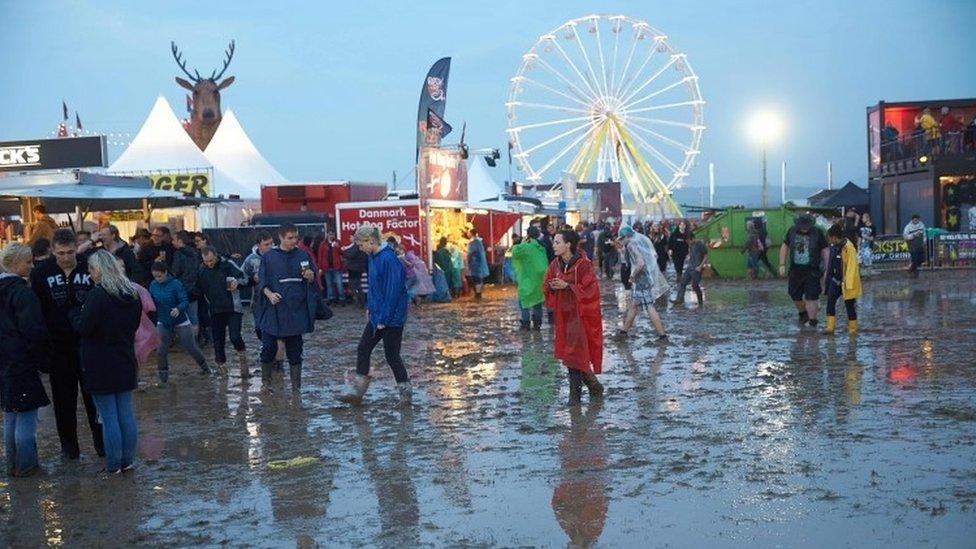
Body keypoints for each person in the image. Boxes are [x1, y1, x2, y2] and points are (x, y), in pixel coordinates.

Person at [29, 229, 104, 460]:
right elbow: (37, 311)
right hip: (58, 347)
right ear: (53, 250)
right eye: (60, 253)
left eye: (70, 252)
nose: (65, 257)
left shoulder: (88, 267)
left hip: (87, 345)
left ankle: (101, 445)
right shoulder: (42, 272)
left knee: (94, 397)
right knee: (64, 401)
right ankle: (69, 448)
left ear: (76, 247)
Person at [69, 250, 142, 475]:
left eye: (91, 270)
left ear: (97, 270)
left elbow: (83, 327)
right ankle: (127, 461)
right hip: (125, 357)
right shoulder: (132, 293)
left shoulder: (98, 295)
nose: (89, 275)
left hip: (100, 362)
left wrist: (73, 315)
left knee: (109, 417)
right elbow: (135, 325)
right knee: (125, 414)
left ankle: (113, 465)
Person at [339, 225, 411, 406]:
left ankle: (406, 394)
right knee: (363, 348)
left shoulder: (389, 259)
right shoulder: (372, 257)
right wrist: (370, 308)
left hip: (391, 318)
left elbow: (393, 292)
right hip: (377, 315)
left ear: (371, 241)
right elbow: (374, 287)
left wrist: (384, 320)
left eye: (360, 245)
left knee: (392, 356)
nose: (360, 249)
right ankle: (358, 392)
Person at [0, 243, 51, 477]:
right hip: (20, 361)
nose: (32, 266)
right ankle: (27, 464)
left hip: (4, 363)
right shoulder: (21, 292)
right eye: (28, 262)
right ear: (14, 263)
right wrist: (43, 361)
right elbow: (33, 330)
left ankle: (12, 463)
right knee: (26, 417)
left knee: (10, 414)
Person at [254, 223, 318, 390]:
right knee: (268, 347)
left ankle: (296, 388)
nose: (294, 241)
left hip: (295, 311)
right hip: (273, 310)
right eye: (290, 238)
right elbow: (262, 282)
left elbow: (312, 280)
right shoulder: (269, 257)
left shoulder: (303, 255)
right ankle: (266, 383)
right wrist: (269, 294)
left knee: (295, 352)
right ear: (281, 237)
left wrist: (311, 277)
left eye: (296, 237)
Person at [544, 230, 604, 405]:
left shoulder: (583, 264)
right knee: (571, 353)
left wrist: (568, 286)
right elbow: (547, 285)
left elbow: (591, 290)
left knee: (575, 354)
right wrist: (553, 286)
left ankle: (575, 397)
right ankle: (593, 386)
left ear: (568, 244)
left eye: (557, 242)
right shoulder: (555, 264)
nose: (554, 245)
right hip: (564, 315)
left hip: (580, 315)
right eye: (554, 242)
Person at [149, 261, 212, 382]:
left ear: (166, 273)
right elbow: (150, 302)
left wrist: (178, 308)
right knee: (161, 350)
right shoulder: (153, 285)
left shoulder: (176, 284)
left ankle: (205, 368)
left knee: (190, 347)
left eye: (159, 276)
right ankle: (163, 378)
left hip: (180, 320)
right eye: (155, 276)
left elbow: (184, 300)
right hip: (163, 321)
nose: (157, 279)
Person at [197, 247, 249, 379]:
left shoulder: (227, 264)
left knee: (235, 337)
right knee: (218, 341)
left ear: (216, 255)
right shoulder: (202, 270)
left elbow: (244, 278)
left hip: (233, 308)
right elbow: (199, 290)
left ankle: (242, 357)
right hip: (215, 309)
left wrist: (237, 283)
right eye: (206, 261)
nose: (209, 263)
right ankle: (222, 370)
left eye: (211, 260)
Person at [617, 225, 668, 338]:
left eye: (621, 238)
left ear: (626, 237)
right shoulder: (637, 242)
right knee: (634, 306)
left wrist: (632, 275)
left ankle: (662, 335)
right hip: (645, 278)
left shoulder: (631, 245)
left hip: (642, 280)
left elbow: (640, 263)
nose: (621, 241)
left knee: (649, 307)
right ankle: (623, 332)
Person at [779, 214, 829, 327]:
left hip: (812, 269)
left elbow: (825, 249)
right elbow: (784, 246)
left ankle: (812, 321)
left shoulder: (817, 232)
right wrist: (782, 264)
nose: (805, 228)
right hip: (795, 269)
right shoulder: (791, 231)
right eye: (802, 226)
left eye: (807, 226)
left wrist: (827, 268)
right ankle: (803, 313)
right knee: (794, 294)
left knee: (811, 296)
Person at [822, 224, 862, 335]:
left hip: (846, 283)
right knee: (830, 302)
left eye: (830, 237)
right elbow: (831, 265)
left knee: (849, 305)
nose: (830, 240)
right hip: (835, 280)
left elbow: (852, 266)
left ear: (834, 237)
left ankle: (853, 329)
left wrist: (848, 283)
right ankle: (830, 327)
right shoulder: (835, 247)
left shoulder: (848, 247)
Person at [511, 227, 549, 331]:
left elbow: (514, 252)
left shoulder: (525, 246)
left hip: (527, 279)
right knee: (537, 303)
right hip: (539, 280)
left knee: (524, 302)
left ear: (527, 234)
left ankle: (525, 324)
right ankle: (537, 325)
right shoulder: (541, 247)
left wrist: (522, 242)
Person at [673, 231, 708, 306]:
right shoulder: (691, 245)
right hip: (690, 267)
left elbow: (705, 256)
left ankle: (700, 302)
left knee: (695, 285)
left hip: (697, 268)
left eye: (688, 240)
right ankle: (679, 300)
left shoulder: (700, 245)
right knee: (683, 283)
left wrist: (700, 266)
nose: (688, 242)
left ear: (692, 239)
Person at [317, 230, 346, 304]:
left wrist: (338, 247)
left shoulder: (338, 242)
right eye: (330, 234)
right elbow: (320, 256)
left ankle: (342, 298)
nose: (331, 236)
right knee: (329, 284)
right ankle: (331, 298)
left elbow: (343, 253)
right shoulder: (323, 244)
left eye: (332, 234)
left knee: (339, 283)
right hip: (326, 267)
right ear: (327, 235)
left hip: (337, 266)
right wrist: (320, 267)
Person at [342, 234, 369, 307]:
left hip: (355, 268)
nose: (350, 238)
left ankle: (360, 302)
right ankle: (360, 301)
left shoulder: (356, 246)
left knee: (355, 285)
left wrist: (344, 251)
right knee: (356, 285)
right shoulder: (355, 245)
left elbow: (351, 255)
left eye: (351, 237)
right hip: (355, 268)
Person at [466, 228, 490, 301]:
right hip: (478, 262)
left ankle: (478, 293)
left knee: (476, 278)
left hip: (475, 263)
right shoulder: (478, 241)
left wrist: (468, 260)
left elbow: (471, 253)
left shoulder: (473, 242)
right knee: (478, 278)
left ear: (471, 233)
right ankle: (478, 293)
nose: (467, 234)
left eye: (468, 232)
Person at [903, 214, 926, 278]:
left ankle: (915, 271)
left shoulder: (922, 225)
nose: (916, 221)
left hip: (920, 245)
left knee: (921, 259)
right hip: (912, 245)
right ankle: (912, 271)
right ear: (912, 220)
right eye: (915, 220)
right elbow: (905, 236)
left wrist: (924, 241)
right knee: (915, 259)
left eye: (917, 220)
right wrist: (913, 235)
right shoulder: (908, 227)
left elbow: (924, 234)